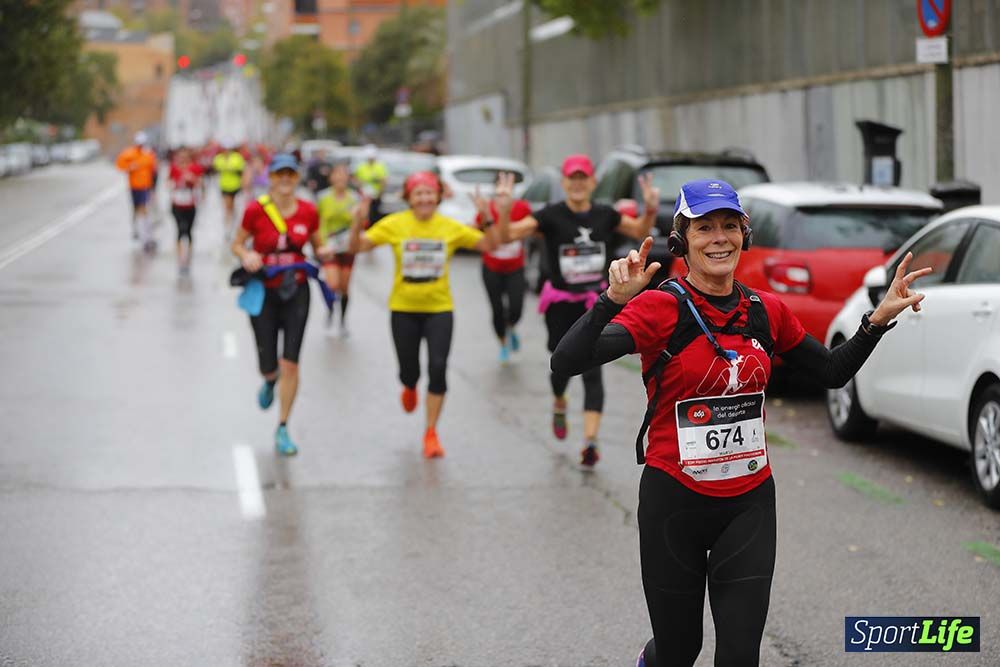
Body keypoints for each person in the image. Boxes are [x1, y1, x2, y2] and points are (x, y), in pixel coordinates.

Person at [550, 179, 933, 666]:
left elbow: (832, 372)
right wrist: (611, 299)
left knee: (739, 655)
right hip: (674, 502)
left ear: (744, 236)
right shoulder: (661, 307)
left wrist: (875, 321)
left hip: (748, 505)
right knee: (678, 650)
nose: (719, 238)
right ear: (682, 241)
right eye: (704, 227)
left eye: (730, 226)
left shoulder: (765, 311)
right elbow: (564, 362)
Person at [494, 155, 658, 467]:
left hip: (597, 303)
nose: (579, 183)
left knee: (593, 369)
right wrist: (504, 211)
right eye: (573, 177)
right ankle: (559, 400)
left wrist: (649, 207)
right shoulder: (550, 216)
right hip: (560, 304)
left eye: (584, 177)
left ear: (593, 182)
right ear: (564, 183)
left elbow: (639, 230)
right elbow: (506, 236)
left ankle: (590, 441)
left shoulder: (604, 215)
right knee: (562, 366)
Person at [348, 171, 500, 458]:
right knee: (410, 371)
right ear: (408, 198)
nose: (425, 198)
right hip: (403, 310)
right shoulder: (394, 224)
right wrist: (358, 220)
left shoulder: (449, 227)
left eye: (429, 192)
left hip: (439, 310)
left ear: (438, 197)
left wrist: (486, 216)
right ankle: (408, 385)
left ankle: (431, 432)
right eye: (418, 193)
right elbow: (356, 247)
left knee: (438, 368)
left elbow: (490, 245)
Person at [230, 153, 329, 456]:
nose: (285, 179)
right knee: (269, 365)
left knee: (292, 362)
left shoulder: (309, 211)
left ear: (297, 178)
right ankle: (268, 380)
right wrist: (246, 255)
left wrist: (329, 253)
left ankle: (283, 426)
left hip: (296, 291)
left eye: (290, 174)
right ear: (270, 178)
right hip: (264, 292)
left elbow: (318, 244)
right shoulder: (255, 210)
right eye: (279, 174)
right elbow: (237, 242)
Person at [472, 183, 532, 362]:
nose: (502, 195)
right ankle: (503, 342)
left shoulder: (522, 207)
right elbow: (475, 231)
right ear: (494, 192)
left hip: (515, 267)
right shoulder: (486, 208)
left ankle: (511, 326)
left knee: (516, 308)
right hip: (492, 268)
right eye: (499, 192)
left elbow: (531, 227)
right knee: (497, 309)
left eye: (506, 191)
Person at [317, 162, 364, 335]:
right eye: (337, 175)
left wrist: (358, 216)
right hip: (329, 248)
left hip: (347, 248)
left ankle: (343, 320)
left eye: (344, 175)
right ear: (331, 178)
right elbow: (319, 222)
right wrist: (321, 245)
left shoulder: (354, 198)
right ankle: (330, 309)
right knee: (333, 283)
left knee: (344, 287)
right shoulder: (323, 198)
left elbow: (360, 224)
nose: (340, 179)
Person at [115, 132, 158, 250]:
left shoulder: (148, 154)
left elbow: (154, 172)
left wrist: (153, 189)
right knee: (137, 210)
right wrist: (129, 167)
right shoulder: (129, 153)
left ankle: (146, 237)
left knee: (143, 210)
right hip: (134, 187)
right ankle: (140, 232)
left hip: (145, 186)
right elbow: (120, 165)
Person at [167, 147, 203, 272]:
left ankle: (188, 257)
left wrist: (192, 179)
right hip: (177, 204)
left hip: (190, 204)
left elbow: (201, 183)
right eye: (180, 156)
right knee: (179, 230)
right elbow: (168, 183)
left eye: (184, 156)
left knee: (188, 232)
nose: (182, 158)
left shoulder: (195, 168)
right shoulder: (174, 168)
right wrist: (174, 184)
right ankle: (180, 259)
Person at [214, 144, 246, 238]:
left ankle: (234, 225)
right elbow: (216, 169)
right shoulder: (219, 158)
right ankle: (228, 227)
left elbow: (241, 171)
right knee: (227, 207)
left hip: (236, 186)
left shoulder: (237, 157)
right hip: (224, 186)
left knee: (235, 207)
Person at [353, 144, 388, 226]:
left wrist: (380, 193)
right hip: (364, 196)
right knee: (364, 213)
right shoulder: (361, 167)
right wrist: (359, 184)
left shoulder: (379, 167)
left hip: (375, 196)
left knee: (374, 215)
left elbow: (384, 180)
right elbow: (355, 178)